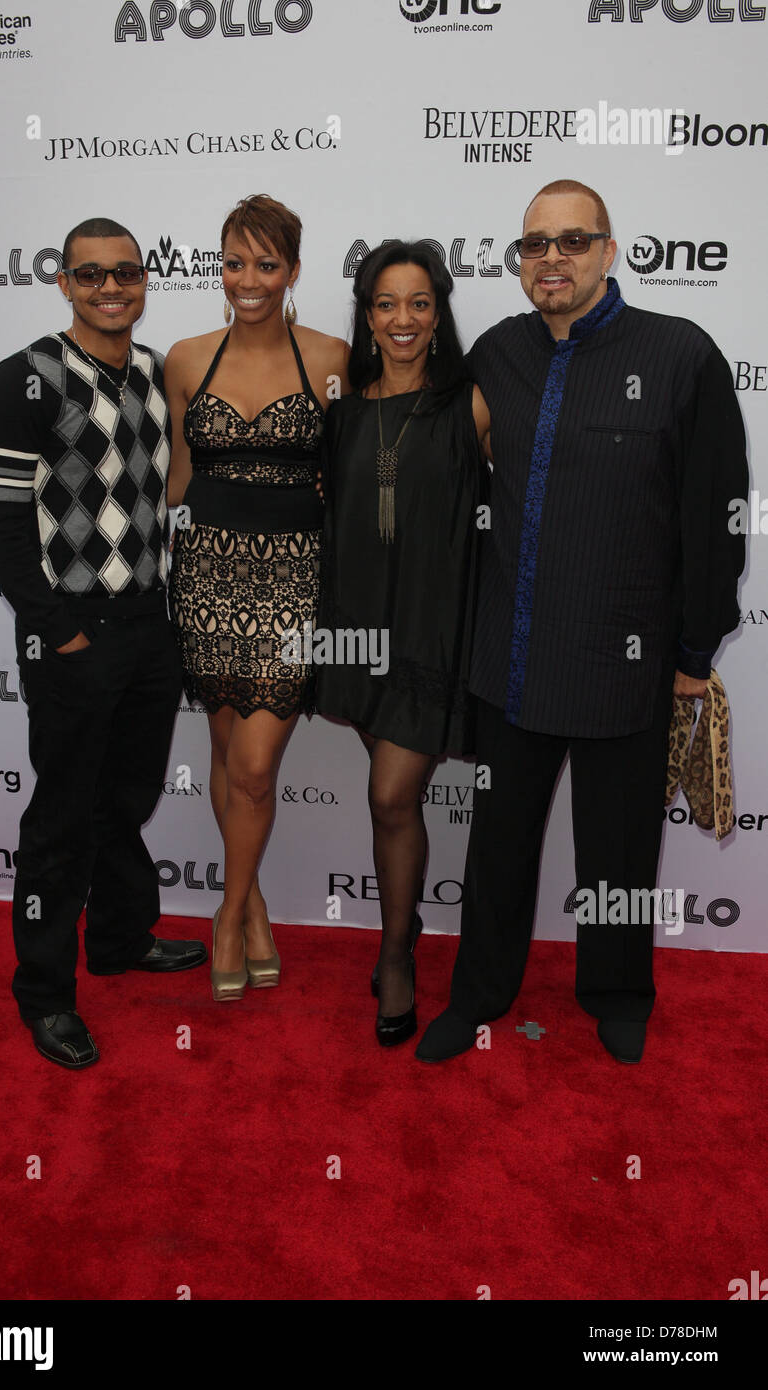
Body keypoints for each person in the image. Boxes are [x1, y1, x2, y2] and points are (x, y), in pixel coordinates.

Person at [416, 180, 748, 1066]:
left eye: (571, 241)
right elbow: (435, 467)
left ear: (608, 251)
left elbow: (717, 518)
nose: (550, 259)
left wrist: (691, 651)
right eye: (534, 246)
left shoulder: (682, 356)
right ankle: (480, 993)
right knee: (496, 853)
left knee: (620, 850)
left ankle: (617, 992)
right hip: (511, 660)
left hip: (628, 661)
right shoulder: (495, 355)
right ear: (519, 261)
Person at [0, 216, 206, 1071]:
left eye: (127, 273)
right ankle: (43, 996)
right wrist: (57, 628)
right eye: (92, 274)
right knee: (64, 819)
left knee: (128, 799)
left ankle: (116, 937)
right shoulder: (22, 380)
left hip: (149, 625)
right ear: (64, 283)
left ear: (145, 281)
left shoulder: (151, 372)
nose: (112, 288)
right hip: (74, 630)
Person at [166, 194, 349, 1001]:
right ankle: (258, 908)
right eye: (233, 262)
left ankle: (225, 913)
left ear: (294, 271)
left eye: (265, 264)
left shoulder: (331, 357)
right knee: (222, 752)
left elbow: (346, 478)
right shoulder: (184, 358)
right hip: (205, 577)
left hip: (292, 585)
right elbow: (175, 479)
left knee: (252, 767)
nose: (247, 279)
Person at [315, 241, 489, 1046]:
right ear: (367, 314)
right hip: (355, 634)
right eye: (386, 304)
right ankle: (403, 928)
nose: (403, 320)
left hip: (431, 632)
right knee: (393, 801)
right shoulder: (343, 408)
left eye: (419, 302)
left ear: (439, 310)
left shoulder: (471, 406)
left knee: (391, 796)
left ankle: (395, 954)